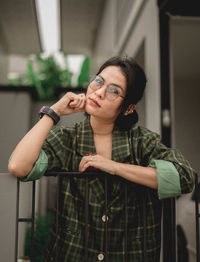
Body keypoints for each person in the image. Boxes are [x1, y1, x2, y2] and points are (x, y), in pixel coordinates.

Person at [8, 56, 195, 262]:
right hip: (73, 254)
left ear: (128, 108)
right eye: (98, 81)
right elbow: (19, 166)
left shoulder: (142, 141)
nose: (99, 92)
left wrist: (115, 167)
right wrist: (54, 112)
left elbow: (184, 177)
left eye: (114, 90)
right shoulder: (68, 138)